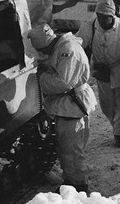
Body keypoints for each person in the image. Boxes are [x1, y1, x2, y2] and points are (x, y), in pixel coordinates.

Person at [28, 23, 97, 192]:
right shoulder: (61, 47)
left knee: (71, 151)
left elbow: (63, 82)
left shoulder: (68, 50)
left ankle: (78, 186)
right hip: (68, 105)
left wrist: (39, 78)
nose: (44, 54)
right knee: (67, 148)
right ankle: (71, 180)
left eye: (44, 51)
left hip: (73, 105)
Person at [77, 0, 120, 148]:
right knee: (107, 105)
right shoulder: (89, 27)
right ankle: (117, 126)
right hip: (102, 71)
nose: (102, 20)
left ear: (112, 16)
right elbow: (78, 47)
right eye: (99, 16)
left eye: (106, 17)